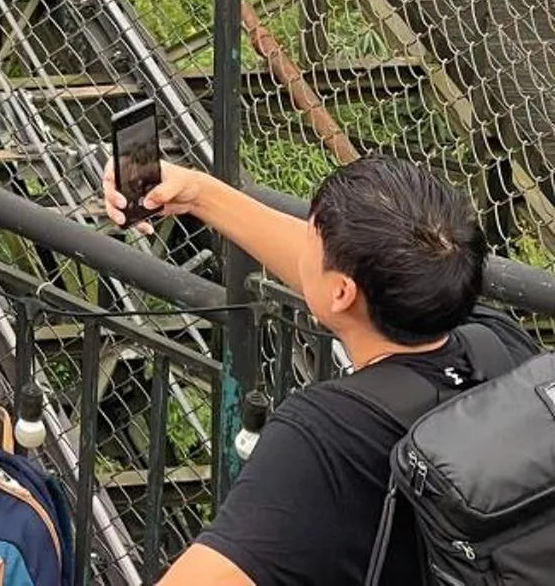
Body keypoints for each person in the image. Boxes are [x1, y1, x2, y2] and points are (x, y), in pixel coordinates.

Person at [105, 150, 533, 586]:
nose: (303, 242)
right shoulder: (501, 348)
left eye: (312, 235)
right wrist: (200, 195)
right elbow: (342, 277)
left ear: (344, 292)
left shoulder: (327, 437)